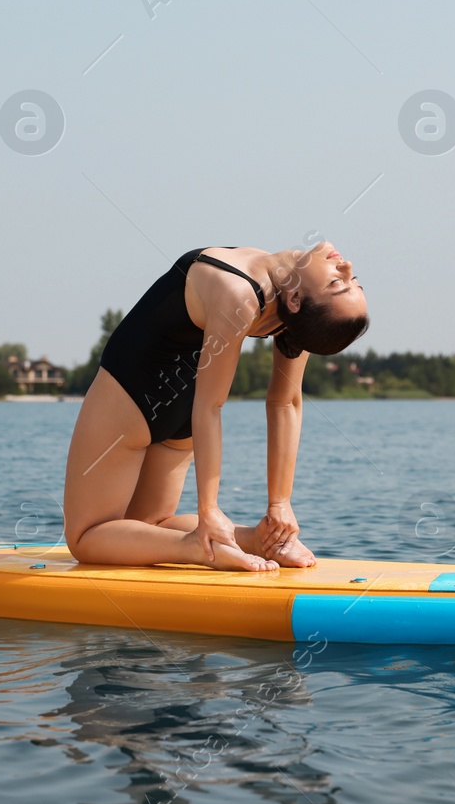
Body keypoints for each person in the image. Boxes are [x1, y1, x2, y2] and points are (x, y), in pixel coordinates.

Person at [62, 242, 368, 571]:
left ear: (296, 299)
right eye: (353, 280)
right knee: (150, 525)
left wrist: (214, 510)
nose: (347, 267)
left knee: (86, 536)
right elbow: (284, 403)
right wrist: (276, 504)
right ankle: (258, 540)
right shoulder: (295, 309)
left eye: (338, 283)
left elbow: (216, 406)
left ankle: (199, 547)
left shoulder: (244, 291)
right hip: (185, 419)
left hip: (135, 398)